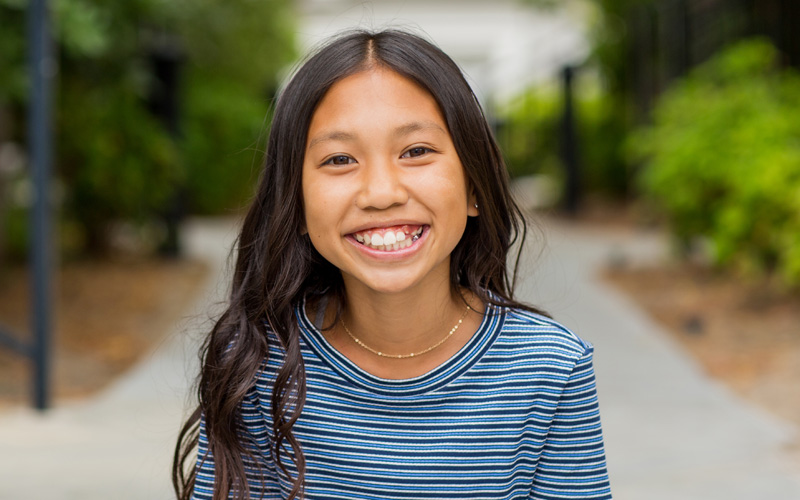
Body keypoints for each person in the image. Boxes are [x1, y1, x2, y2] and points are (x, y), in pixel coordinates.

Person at [173, 29, 612, 500]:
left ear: (474, 187)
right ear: (296, 205)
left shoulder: (549, 368)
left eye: (416, 152)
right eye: (340, 159)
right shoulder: (256, 365)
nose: (381, 193)